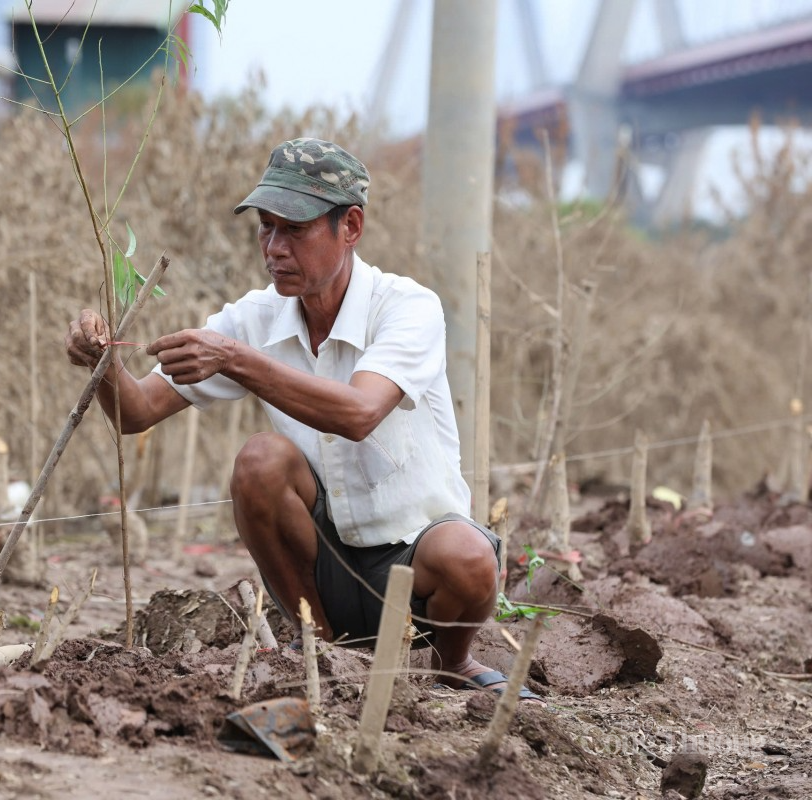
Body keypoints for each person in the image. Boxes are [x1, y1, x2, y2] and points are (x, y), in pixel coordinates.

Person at [66, 138, 541, 702]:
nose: (274, 248)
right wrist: (105, 363)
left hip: (418, 560)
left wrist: (236, 360)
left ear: (351, 227)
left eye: (294, 229)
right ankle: (318, 647)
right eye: (266, 228)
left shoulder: (407, 308)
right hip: (325, 568)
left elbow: (361, 413)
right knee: (260, 461)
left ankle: (450, 664)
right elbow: (136, 412)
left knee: (467, 556)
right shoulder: (254, 318)